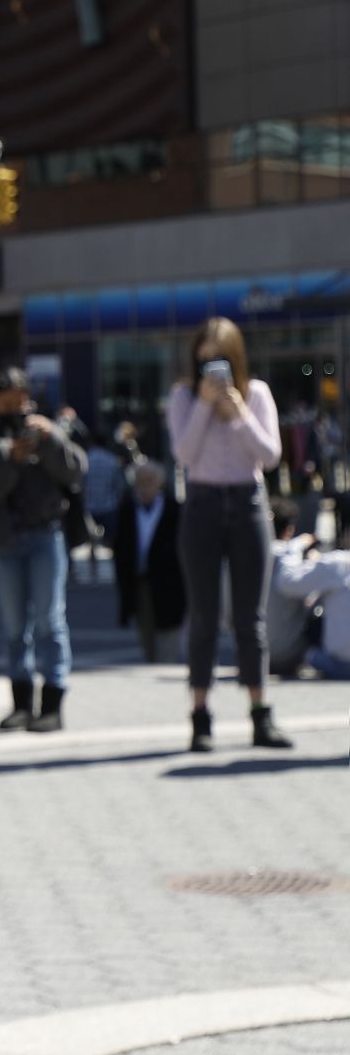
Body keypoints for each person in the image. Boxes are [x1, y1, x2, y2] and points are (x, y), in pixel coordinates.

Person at [167, 316, 294, 752]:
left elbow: (270, 454)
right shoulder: (183, 397)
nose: (213, 370)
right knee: (203, 618)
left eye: (220, 360)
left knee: (249, 619)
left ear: (235, 358)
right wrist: (204, 407)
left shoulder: (255, 394)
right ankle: (200, 717)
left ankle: (260, 715)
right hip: (202, 504)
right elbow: (184, 452)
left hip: (247, 504)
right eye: (204, 361)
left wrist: (238, 414)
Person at [0, 367, 88, 733]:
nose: (17, 406)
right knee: (15, 627)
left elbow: (76, 471)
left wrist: (53, 439)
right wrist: (4, 456)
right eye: (8, 399)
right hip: (2, 541)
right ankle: (21, 704)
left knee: (50, 620)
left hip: (46, 535)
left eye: (22, 398)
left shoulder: (46, 428)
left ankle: (53, 703)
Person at [111, 461, 185, 664]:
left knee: (168, 637)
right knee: (147, 637)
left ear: (159, 483)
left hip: (169, 585)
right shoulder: (127, 509)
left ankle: (164, 670)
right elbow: (120, 549)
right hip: (140, 582)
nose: (144, 486)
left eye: (149, 481)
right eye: (140, 481)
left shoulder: (174, 509)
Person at [273, 531, 350, 680]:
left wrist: (296, 548)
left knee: (309, 652)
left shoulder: (337, 563)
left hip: (341, 664)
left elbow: (287, 582)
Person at [265, 499, 320, 679]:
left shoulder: (242, 561)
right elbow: (299, 588)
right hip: (289, 656)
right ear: (289, 530)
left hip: (250, 653)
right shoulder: (289, 558)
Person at [82, 432, 129, 585]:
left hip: (89, 506)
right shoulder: (112, 461)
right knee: (112, 541)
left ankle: (91, 571)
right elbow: (120, 485)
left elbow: (79, 484)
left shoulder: (85, 459)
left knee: (90, 541)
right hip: (109, 506)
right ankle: (114, 570)